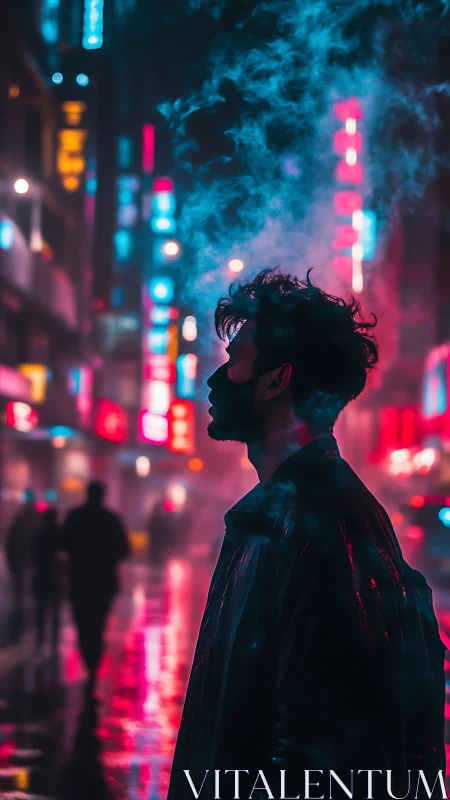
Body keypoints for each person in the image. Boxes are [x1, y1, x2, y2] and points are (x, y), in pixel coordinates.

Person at [167, 268, 446, 800]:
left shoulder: (323, 528)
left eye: (234, 362)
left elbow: (324, 759)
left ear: (277, 380)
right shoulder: (279, 516)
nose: (215, 380)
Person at [60, 481, 130, 691]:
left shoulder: (75, 517)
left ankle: (89, 661)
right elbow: (124, 550)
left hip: (80, 580)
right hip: (103, 582)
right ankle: (93, 664)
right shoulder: (111, 520)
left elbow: (62, 542)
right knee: (98, 623)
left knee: (83, 623)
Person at [5, 489, 42, 639]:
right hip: (33, 564)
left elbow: (11, 541)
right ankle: (29, 620)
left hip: (21, 562)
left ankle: (20, 618)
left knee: (22, 593)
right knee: (33, 594)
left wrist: (12, 562)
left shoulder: (20, 519)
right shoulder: (37, 519)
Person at [31, 507, 61, 652]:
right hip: (55, 578)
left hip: (42, 576)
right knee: (55, 611)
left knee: (41, 611)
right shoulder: (59, 535)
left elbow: (32, 555)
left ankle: (40, 640)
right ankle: (54, 642)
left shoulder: (39, 534)